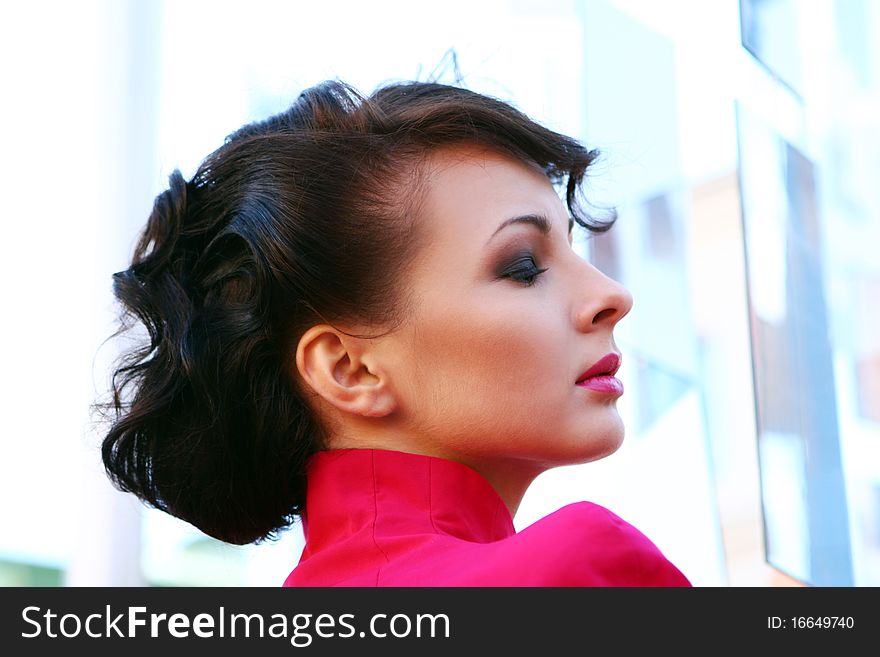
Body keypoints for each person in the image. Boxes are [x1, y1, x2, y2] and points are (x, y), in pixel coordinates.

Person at [101, 78, 691, 587]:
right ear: (348, 369)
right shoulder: (577, 572)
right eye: (522, 267)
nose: (611, 297)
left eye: (573, 245)